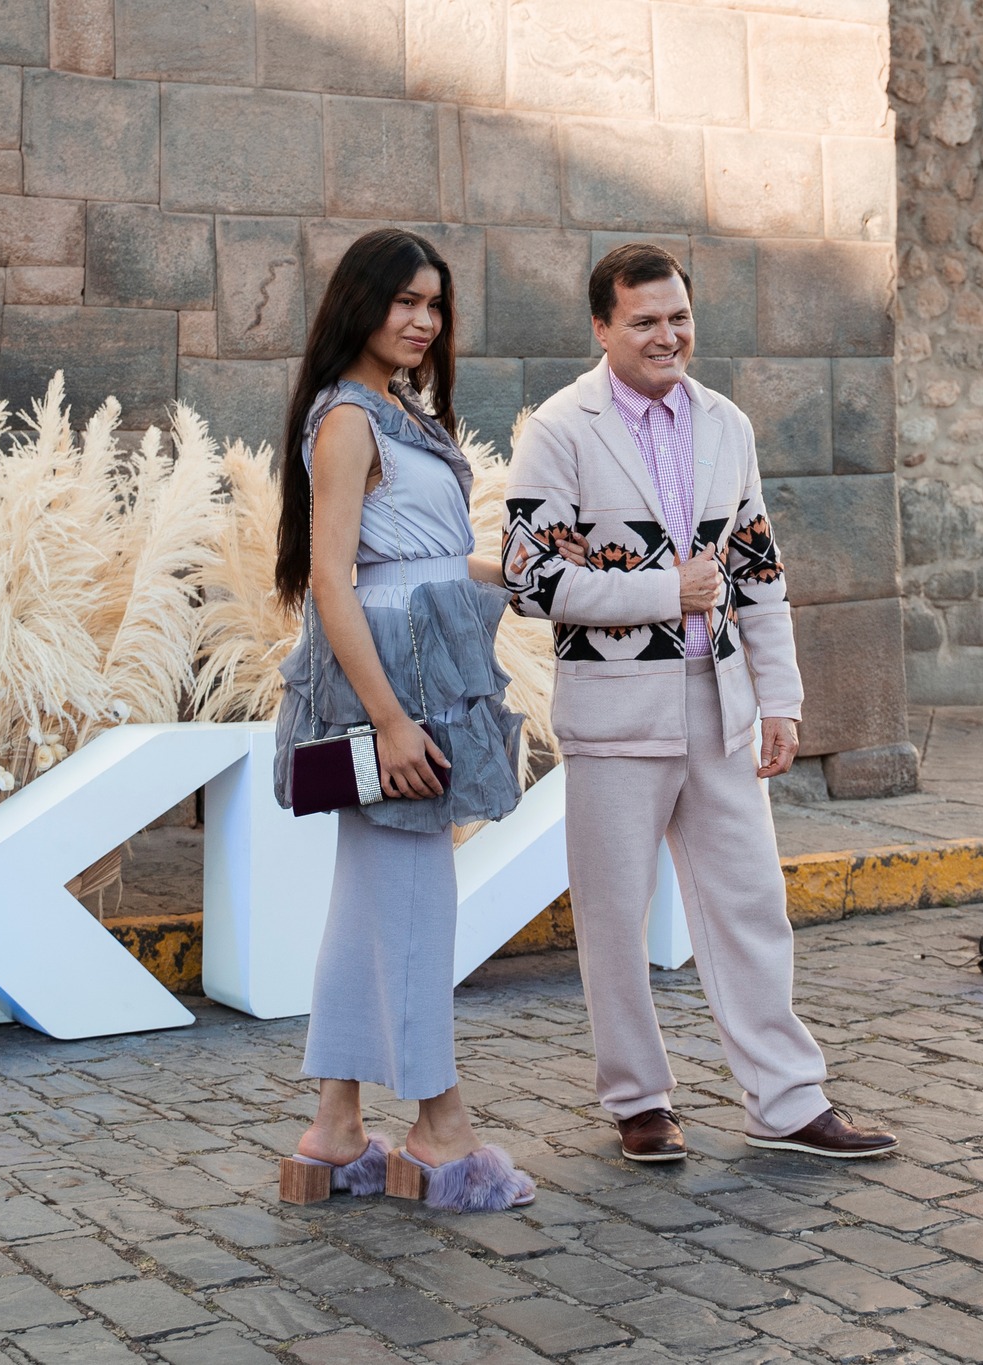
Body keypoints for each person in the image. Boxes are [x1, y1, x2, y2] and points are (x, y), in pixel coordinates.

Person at [500, 242, 897, 1161]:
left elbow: (758, 575)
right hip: (614, 713)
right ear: (602, 328)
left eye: (678, 317)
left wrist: (781, 699)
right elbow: (528, 579)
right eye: (644, 320)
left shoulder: (727, 425)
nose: (666, 335)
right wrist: (661, 589)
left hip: (720, 705)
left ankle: (788, 1101)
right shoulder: (559, 429)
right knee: (614, 916)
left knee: (752, 902)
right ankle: (639, 1100)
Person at [269, 228, 551, 1212]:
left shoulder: (395, 410)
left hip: (424, 661)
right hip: (397, 682)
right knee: (421, 903)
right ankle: (440, 1131)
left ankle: (335, 1129)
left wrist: (502, 571)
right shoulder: (350, 417)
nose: (424, 321)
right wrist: (390, 721)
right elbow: (329, 580)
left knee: (366, 904)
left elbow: (417, 557)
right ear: (361, 303)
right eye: (405, 302)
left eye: (435, 305)